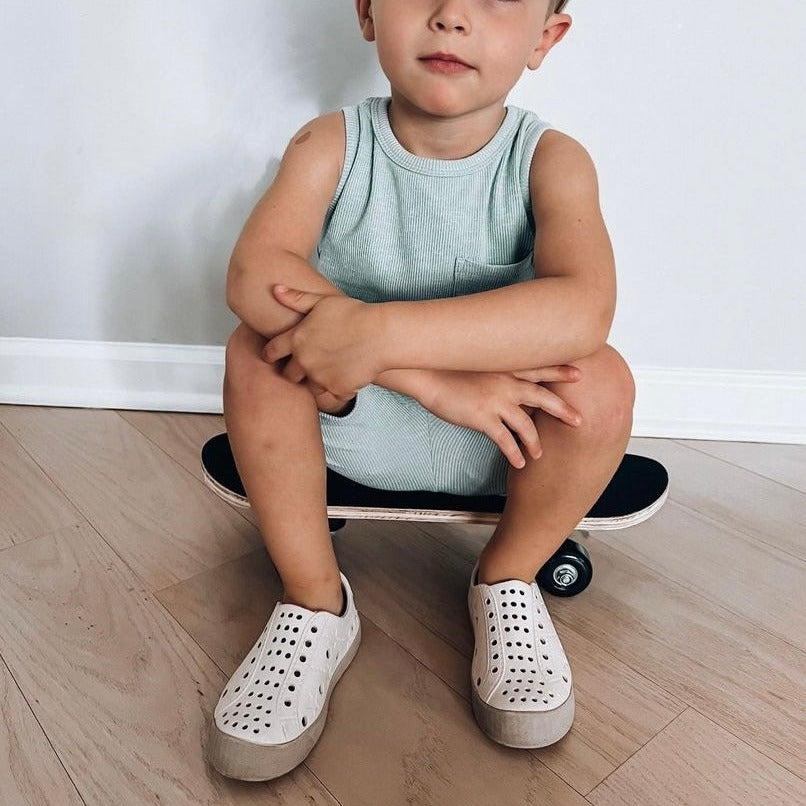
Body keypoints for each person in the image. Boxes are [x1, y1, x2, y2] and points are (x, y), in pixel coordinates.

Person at [208, 0, 634, 781]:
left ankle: (508, 576)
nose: (450, 17)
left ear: (546, 37)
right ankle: (314, 602)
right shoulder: (329, 145)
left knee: (602, 378)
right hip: (352, 420)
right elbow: (253, 274)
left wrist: (383, 335)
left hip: (504, 442)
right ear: (368, 11)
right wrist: (427, 379)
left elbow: (584, 307)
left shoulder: (551, 160)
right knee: (253, 352)